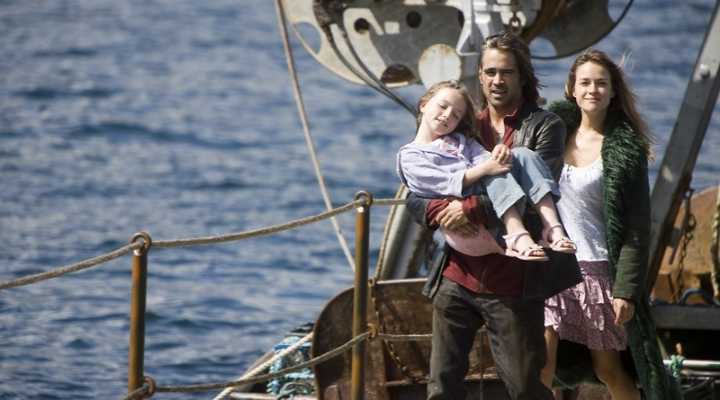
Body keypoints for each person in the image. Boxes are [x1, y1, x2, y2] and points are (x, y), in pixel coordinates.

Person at [405, 32, 582, 400]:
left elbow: (535, 193)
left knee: (524, 388)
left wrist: (466, 208)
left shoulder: (545, 126)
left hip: (513, 281)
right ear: (480, 76)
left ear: (522, 76)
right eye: (490, 72)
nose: (497, 81)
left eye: (506, 72)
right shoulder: (461, 122)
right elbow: (417, 190)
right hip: (458, 274)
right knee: (441, 387)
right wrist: (440, 210)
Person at [541, 49, 677, 400]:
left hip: (596, 272)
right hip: (553, 268)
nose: (593, 90)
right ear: (571, 89)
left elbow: (636, 228)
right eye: (585, 82)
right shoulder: (551, 136)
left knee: (607, 370)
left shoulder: (625, 150)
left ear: (613, 91)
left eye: (601, 83)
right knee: (542, 363)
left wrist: (626, 290)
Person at [397, 80, 576, 261]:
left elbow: (485, 159)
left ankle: (552, 227)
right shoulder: (410, 155)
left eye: (456, 115)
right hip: (462, 218)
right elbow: (444, 183)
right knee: (493, 174)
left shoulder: (460, 141)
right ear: (423, 105)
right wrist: (486, 168)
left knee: (523, 154)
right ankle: (516, 233)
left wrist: (499, 153)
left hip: (485, 200)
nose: (447, 115)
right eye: (442, 106)